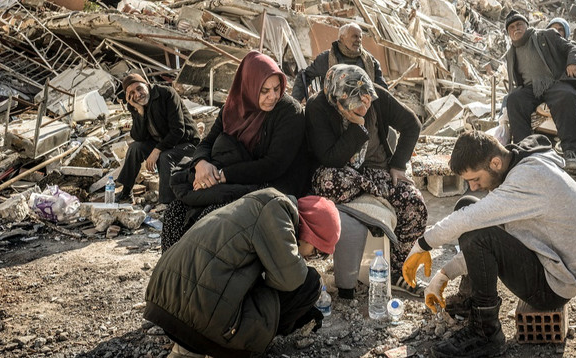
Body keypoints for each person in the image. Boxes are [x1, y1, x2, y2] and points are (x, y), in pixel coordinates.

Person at [402, 131, 576, 358]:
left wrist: (422, 244)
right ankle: (471, 299)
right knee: (467, 204)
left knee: (475, 231)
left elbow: (472, 223)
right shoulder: (521, 163)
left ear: (495, 162)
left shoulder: (527, 181)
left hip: (555, 285)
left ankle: (486, 333)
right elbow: (486, 223)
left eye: (476, 179)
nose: (473, 186)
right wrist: (444, 274)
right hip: (547, 260)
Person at [144, 189, 341, 358]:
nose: (314, 257)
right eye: (318, 251)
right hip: (198, 321)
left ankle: (190, 347)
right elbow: (290, 280)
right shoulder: (277, 210)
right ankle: (245, 344)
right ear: (310, 232)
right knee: (309, 281)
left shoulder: (256, 202)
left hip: (165, 308)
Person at [162, 51, 308, 251]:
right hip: (228, 179)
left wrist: (222, 176)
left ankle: (203, 276)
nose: (272, 96)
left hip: (267, 185)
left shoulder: (288, 112)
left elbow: (273, 165)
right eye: (264, 90)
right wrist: (201, 164)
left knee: (210, 219)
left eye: (276, 88)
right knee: (174, 212)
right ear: (248, 86)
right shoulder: (233, 108)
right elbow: (208, 142)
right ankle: (172, 275)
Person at [306, 65, 426, 295]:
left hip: (375, 173)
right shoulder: (317, 106)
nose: (363, 106)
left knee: (414, 204)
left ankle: (396, 271)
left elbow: (412, 125)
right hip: (339, 172)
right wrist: (358, 127)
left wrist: (398, 165)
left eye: (366, 100)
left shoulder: (376, 96)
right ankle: (375, 196)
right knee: (329, 180)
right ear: (335, 99)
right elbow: (330, 158)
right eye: (354, 103)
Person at [504, 10, 576, 171]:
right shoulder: (511, 53)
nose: (516, 28)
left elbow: (572, 48)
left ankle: (570, 152)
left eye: (519, 24)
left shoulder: (546, 35)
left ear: (527, 25)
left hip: (553, 82)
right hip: (530, 89)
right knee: (513, 100)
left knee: (566, 95)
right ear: (508, 33)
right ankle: (525, 153)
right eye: (512, 27)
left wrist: (573, 62)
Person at [116, 74, 198, 205]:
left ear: (147, 85)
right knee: (134, 148)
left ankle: (166, 203)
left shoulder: (166, 93)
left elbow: (178, 130)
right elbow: (138, 137)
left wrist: (156, 151)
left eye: (139, 89)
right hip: (162, 142)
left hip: (185, 143)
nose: (137, 94)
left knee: (165, 156)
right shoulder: (135, 105)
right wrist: (140, 112)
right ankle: (126, 192)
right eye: (132, 93)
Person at [292, 22, 387, 102]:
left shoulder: (370, 61)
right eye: (354, 36)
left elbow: (382, 89)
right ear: (342, 38)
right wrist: (295, 102)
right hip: (333, 109)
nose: (358, 40)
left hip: (364, 109)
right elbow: (304, 76)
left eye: (360, 37)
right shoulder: (326, 59)